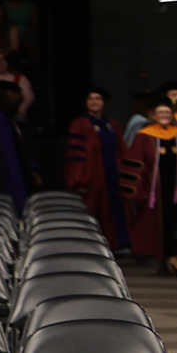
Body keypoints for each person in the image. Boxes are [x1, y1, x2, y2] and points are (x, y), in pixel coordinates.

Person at [118, 100, 177, 274]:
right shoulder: (144, 136)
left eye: (167, 112)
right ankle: (167, 259)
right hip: (155, 192)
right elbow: (135, 164)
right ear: (153, 115)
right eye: (160, 112)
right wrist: (139, 191)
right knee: (160, 224)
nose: (164, 116)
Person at [63, 90, 127, 250]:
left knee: (115, 210)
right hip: (92, 178)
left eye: (98, 98)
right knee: (95, 210)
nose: (94, 102)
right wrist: (78, 179)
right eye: (90, 98)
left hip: (113, 176)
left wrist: (124, 175)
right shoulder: (80, 124)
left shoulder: (112, 124)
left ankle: (117, 245)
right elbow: (76, 153)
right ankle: (94, 247)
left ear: (104, 102)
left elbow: (121, 150)